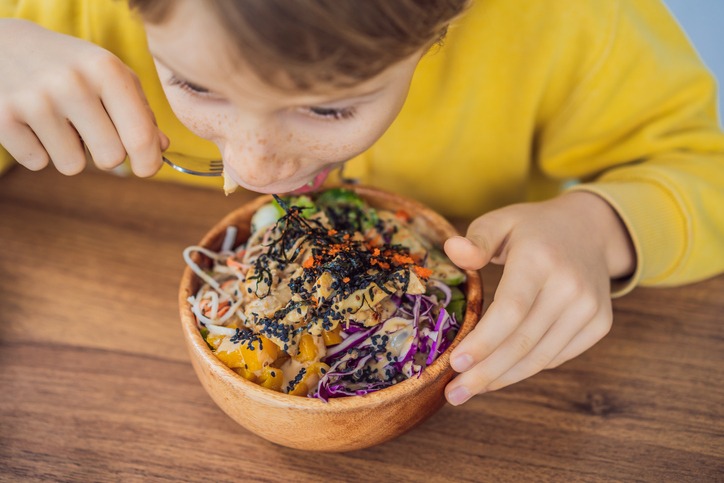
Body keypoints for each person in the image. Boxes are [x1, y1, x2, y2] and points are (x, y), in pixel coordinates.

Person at [1, 0, 722, 406]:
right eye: (194, 86)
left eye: (328, 109)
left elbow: (702, 169)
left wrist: (600, 228)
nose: (253, 166)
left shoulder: (572, 23)